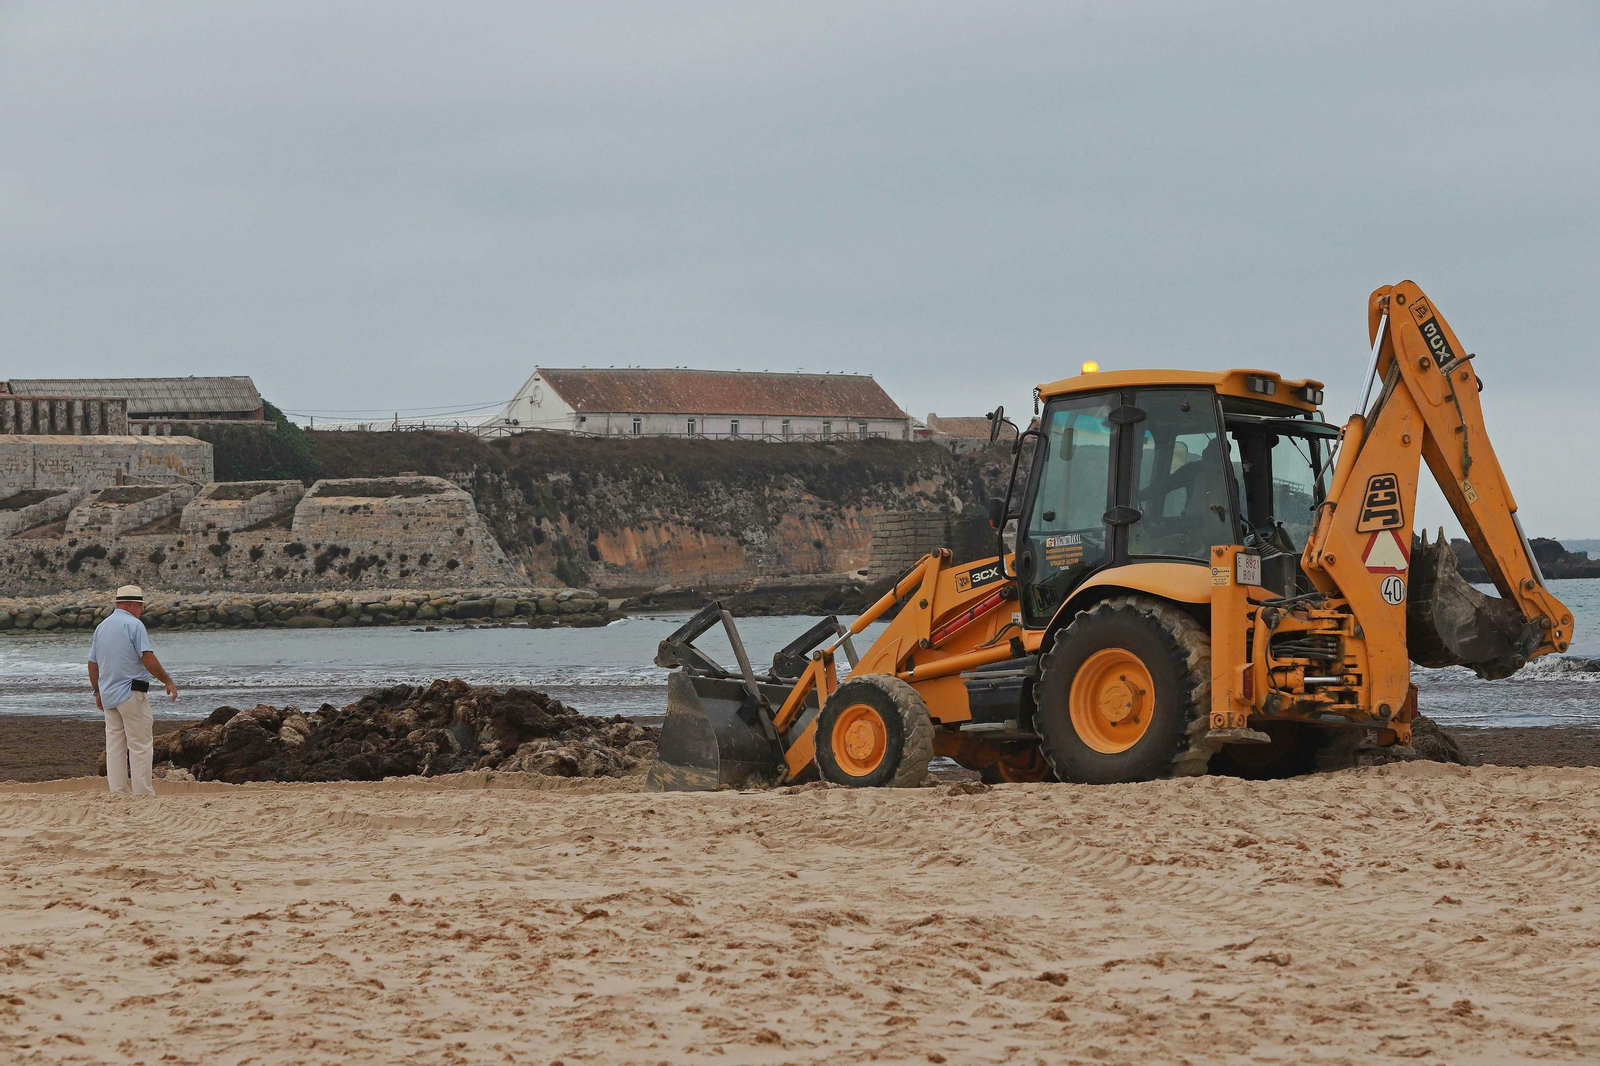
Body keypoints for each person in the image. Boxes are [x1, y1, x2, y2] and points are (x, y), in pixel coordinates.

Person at [87, 585, 177, 795]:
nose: (142, 610)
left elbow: (92, 663)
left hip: (109, 695)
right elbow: (147, 657)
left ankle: (118, 792)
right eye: (139, 606)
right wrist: (167, 680)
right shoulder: (134, 624)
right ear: (129, 605)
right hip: (131, 693)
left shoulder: (102, 626)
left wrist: (97, 692)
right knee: (141, 745)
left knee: (115, 746)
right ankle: (143, 793)